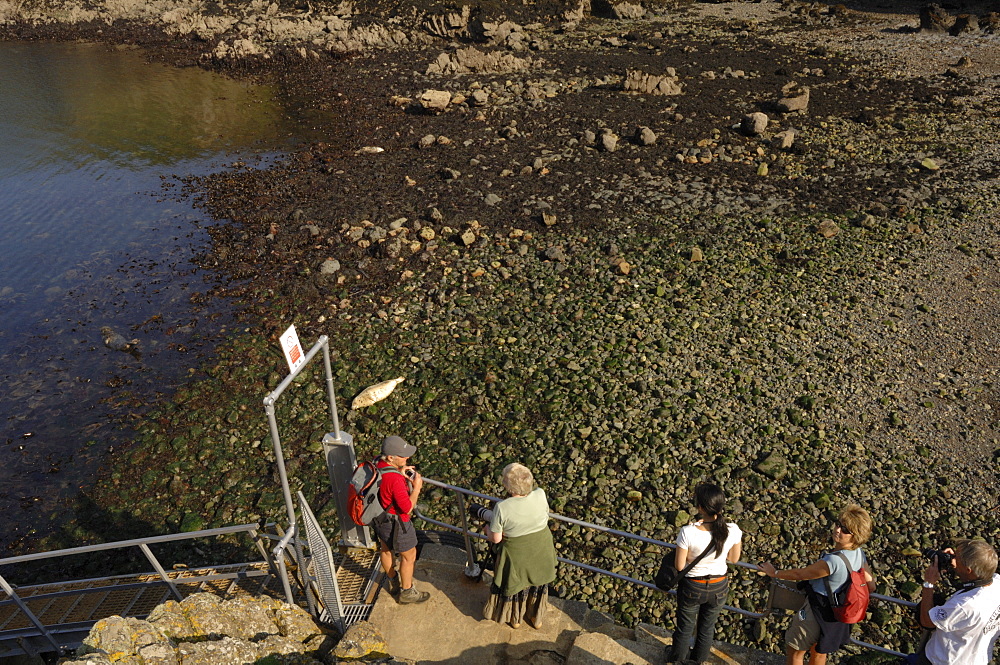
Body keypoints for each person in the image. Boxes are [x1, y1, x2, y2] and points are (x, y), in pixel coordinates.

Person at [759, 505, 874, 665]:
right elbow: (871, 585)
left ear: (856, 536)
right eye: (838, 523)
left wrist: (775, 573)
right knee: (819, 652)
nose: (838, 530)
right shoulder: (859, 553)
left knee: (796, 651)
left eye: (845, 530)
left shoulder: (833, 561)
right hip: (837, 615)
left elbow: (801, 574)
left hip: (816, 610)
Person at [665, 483, 743, 664]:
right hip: (719, 585)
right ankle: (697, 661)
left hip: (693, 586)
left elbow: (679, 566)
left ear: (700, 507)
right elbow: (734, 559)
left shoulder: (688, 532)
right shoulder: (733, 529)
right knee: (707, 629)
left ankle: (677, 661)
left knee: (685, 628)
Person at [483, 463, 557, 629]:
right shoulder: (540, 494)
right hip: (541, 546)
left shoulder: (502, 508)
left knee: (516, 584)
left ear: (507, 486)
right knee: (537, 582)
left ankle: (515, 620)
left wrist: (487, 528)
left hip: (517, 554)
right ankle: (536, 618)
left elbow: (495, 539)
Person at [905, 539, 1000, 664]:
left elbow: (927, 621)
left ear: (968, 570)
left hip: (946, 661)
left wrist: (928, 583)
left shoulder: (965, 605)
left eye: (957, 559)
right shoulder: (996, 581)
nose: (953, 560)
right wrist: (956, 560)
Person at [373, 435, 430, 604]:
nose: (407, 458)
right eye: (403, 456)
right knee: (409, 556)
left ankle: (393, 582)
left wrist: (398, 470)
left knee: (385, 549)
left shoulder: (377, 463)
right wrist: (417, 488)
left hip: (380, 518)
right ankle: (407, 592)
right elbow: (406, 508)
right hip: (398, 523)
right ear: (391, 457)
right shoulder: (395, 480)